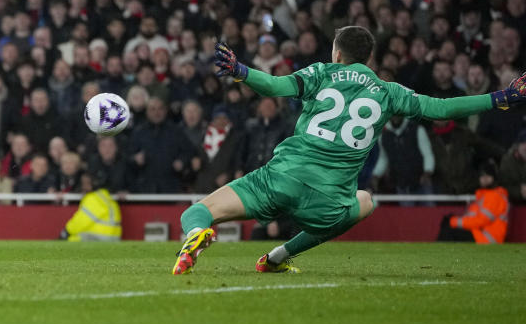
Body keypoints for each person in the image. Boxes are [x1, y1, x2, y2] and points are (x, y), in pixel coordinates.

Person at [173, 27, 526, 275]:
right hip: (329, 200)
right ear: (368, 57)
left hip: (282, 178)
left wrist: (240, 70)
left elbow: (274, 87)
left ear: (336, 53)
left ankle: (197, 237)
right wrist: (500, 98)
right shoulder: (389, 92)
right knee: (365, 201)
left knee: (198, 212)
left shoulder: (322, 72)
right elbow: (443, 109)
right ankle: (278, 256)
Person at [438, 161, 510, 244]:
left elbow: (481, 221)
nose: (485, 178)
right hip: (481, 234)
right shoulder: (483, 196)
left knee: (450, 231)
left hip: (488, 237)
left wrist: (453, 221)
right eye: (482, 176)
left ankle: (436, 254)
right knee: (450, 230)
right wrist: (454, 219)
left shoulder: (495, 196)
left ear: (494, 178)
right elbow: (473, 218)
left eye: (488, 175)